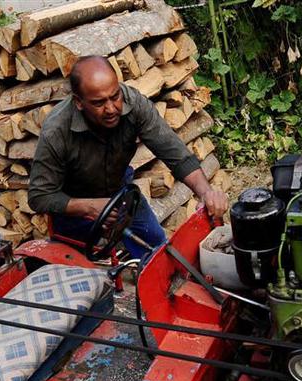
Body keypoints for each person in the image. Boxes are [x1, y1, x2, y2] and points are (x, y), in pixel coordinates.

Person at [28, 56, 227, 259]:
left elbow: (176, 154)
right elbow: (39, 196)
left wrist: (207, 193)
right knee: (78, 271)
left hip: (120, 195)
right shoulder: (57, 130)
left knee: (158, 255)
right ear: (79, 102)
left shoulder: (134, 103)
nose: (111, 109)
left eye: (115, 96)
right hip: (73, 208)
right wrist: (89, 207)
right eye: (98, 103)